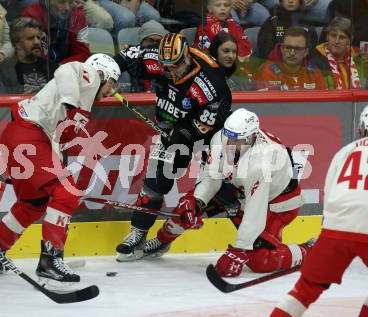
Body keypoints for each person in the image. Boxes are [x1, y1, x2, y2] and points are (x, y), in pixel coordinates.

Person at [0, 53, 121, 284]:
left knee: (33, 203)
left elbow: (62, 136)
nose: (111, 91)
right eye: (112, 82)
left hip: (21, 138)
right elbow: (66, 69)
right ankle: (50, 261)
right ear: (102, 74)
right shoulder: (88, 76)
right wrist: (71, 102)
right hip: (28, 136)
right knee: (68, 193)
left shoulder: (81, 100)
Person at [145, 108, 315, 277]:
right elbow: (212, 176)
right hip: (238, 189)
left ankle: (309, 250)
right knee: (186, 209)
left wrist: (239, 250)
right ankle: (161, 241)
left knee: (260, 261)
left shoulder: (263, 161)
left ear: (252, 137)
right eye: (229, 135)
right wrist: (197, 201)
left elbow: (256, 211)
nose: (230, 143)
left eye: (237, 139)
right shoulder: (221, 138)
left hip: (276, 204)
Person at [114, 33, 233, 261]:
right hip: (171, 122)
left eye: (176, 65)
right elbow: (127, 56)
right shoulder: (159, 58)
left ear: (187, 57)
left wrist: (180, 134)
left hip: (211, 130)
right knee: (156, 180)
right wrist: (106, 74)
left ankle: (163, 239)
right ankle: (138, 234)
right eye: (165, 66)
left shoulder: (210, 82)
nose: (170, 71)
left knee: (221, 189)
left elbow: (204, 125)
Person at [270, 106, 368, 317]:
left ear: (361, 128)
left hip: (336, 230)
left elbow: (332, 197)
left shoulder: (345, 152)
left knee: (303, 291)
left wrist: (329, 242)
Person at [254, 26, 327, 90]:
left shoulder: (314, 73)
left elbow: (324, 104)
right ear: (282, 49)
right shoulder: (267, 72)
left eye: (297, 49)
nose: (292, 53)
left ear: (306, 52)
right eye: (288, 48)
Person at [0, 17, 58, 94]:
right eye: (30, 38)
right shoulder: (5, 70)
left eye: (38, 38)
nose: (37, 42)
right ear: (17, 44)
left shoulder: (52, 68)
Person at [21, 0, 90, 64]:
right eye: (61, 2)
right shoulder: (31, 15)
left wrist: (62, 67)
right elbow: (32, 53)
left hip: (66, 67)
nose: (67, 8)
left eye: (71, 2)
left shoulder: (78, 17)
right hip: (39, 67)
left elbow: (83, 53)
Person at [118, 19, 168, 92]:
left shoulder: (168, 56)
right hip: (132, 100)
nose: (154, 44)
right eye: (150, 40)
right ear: (141, 40)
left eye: (158, 41)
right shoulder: (131, 52)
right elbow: (111, 66)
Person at [311, 17, 360, 90]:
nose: (336, 41)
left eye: (342, 37)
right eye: (333, 36)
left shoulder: (359, 61)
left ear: (350, 40)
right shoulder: (314, 62)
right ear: (327, 37)